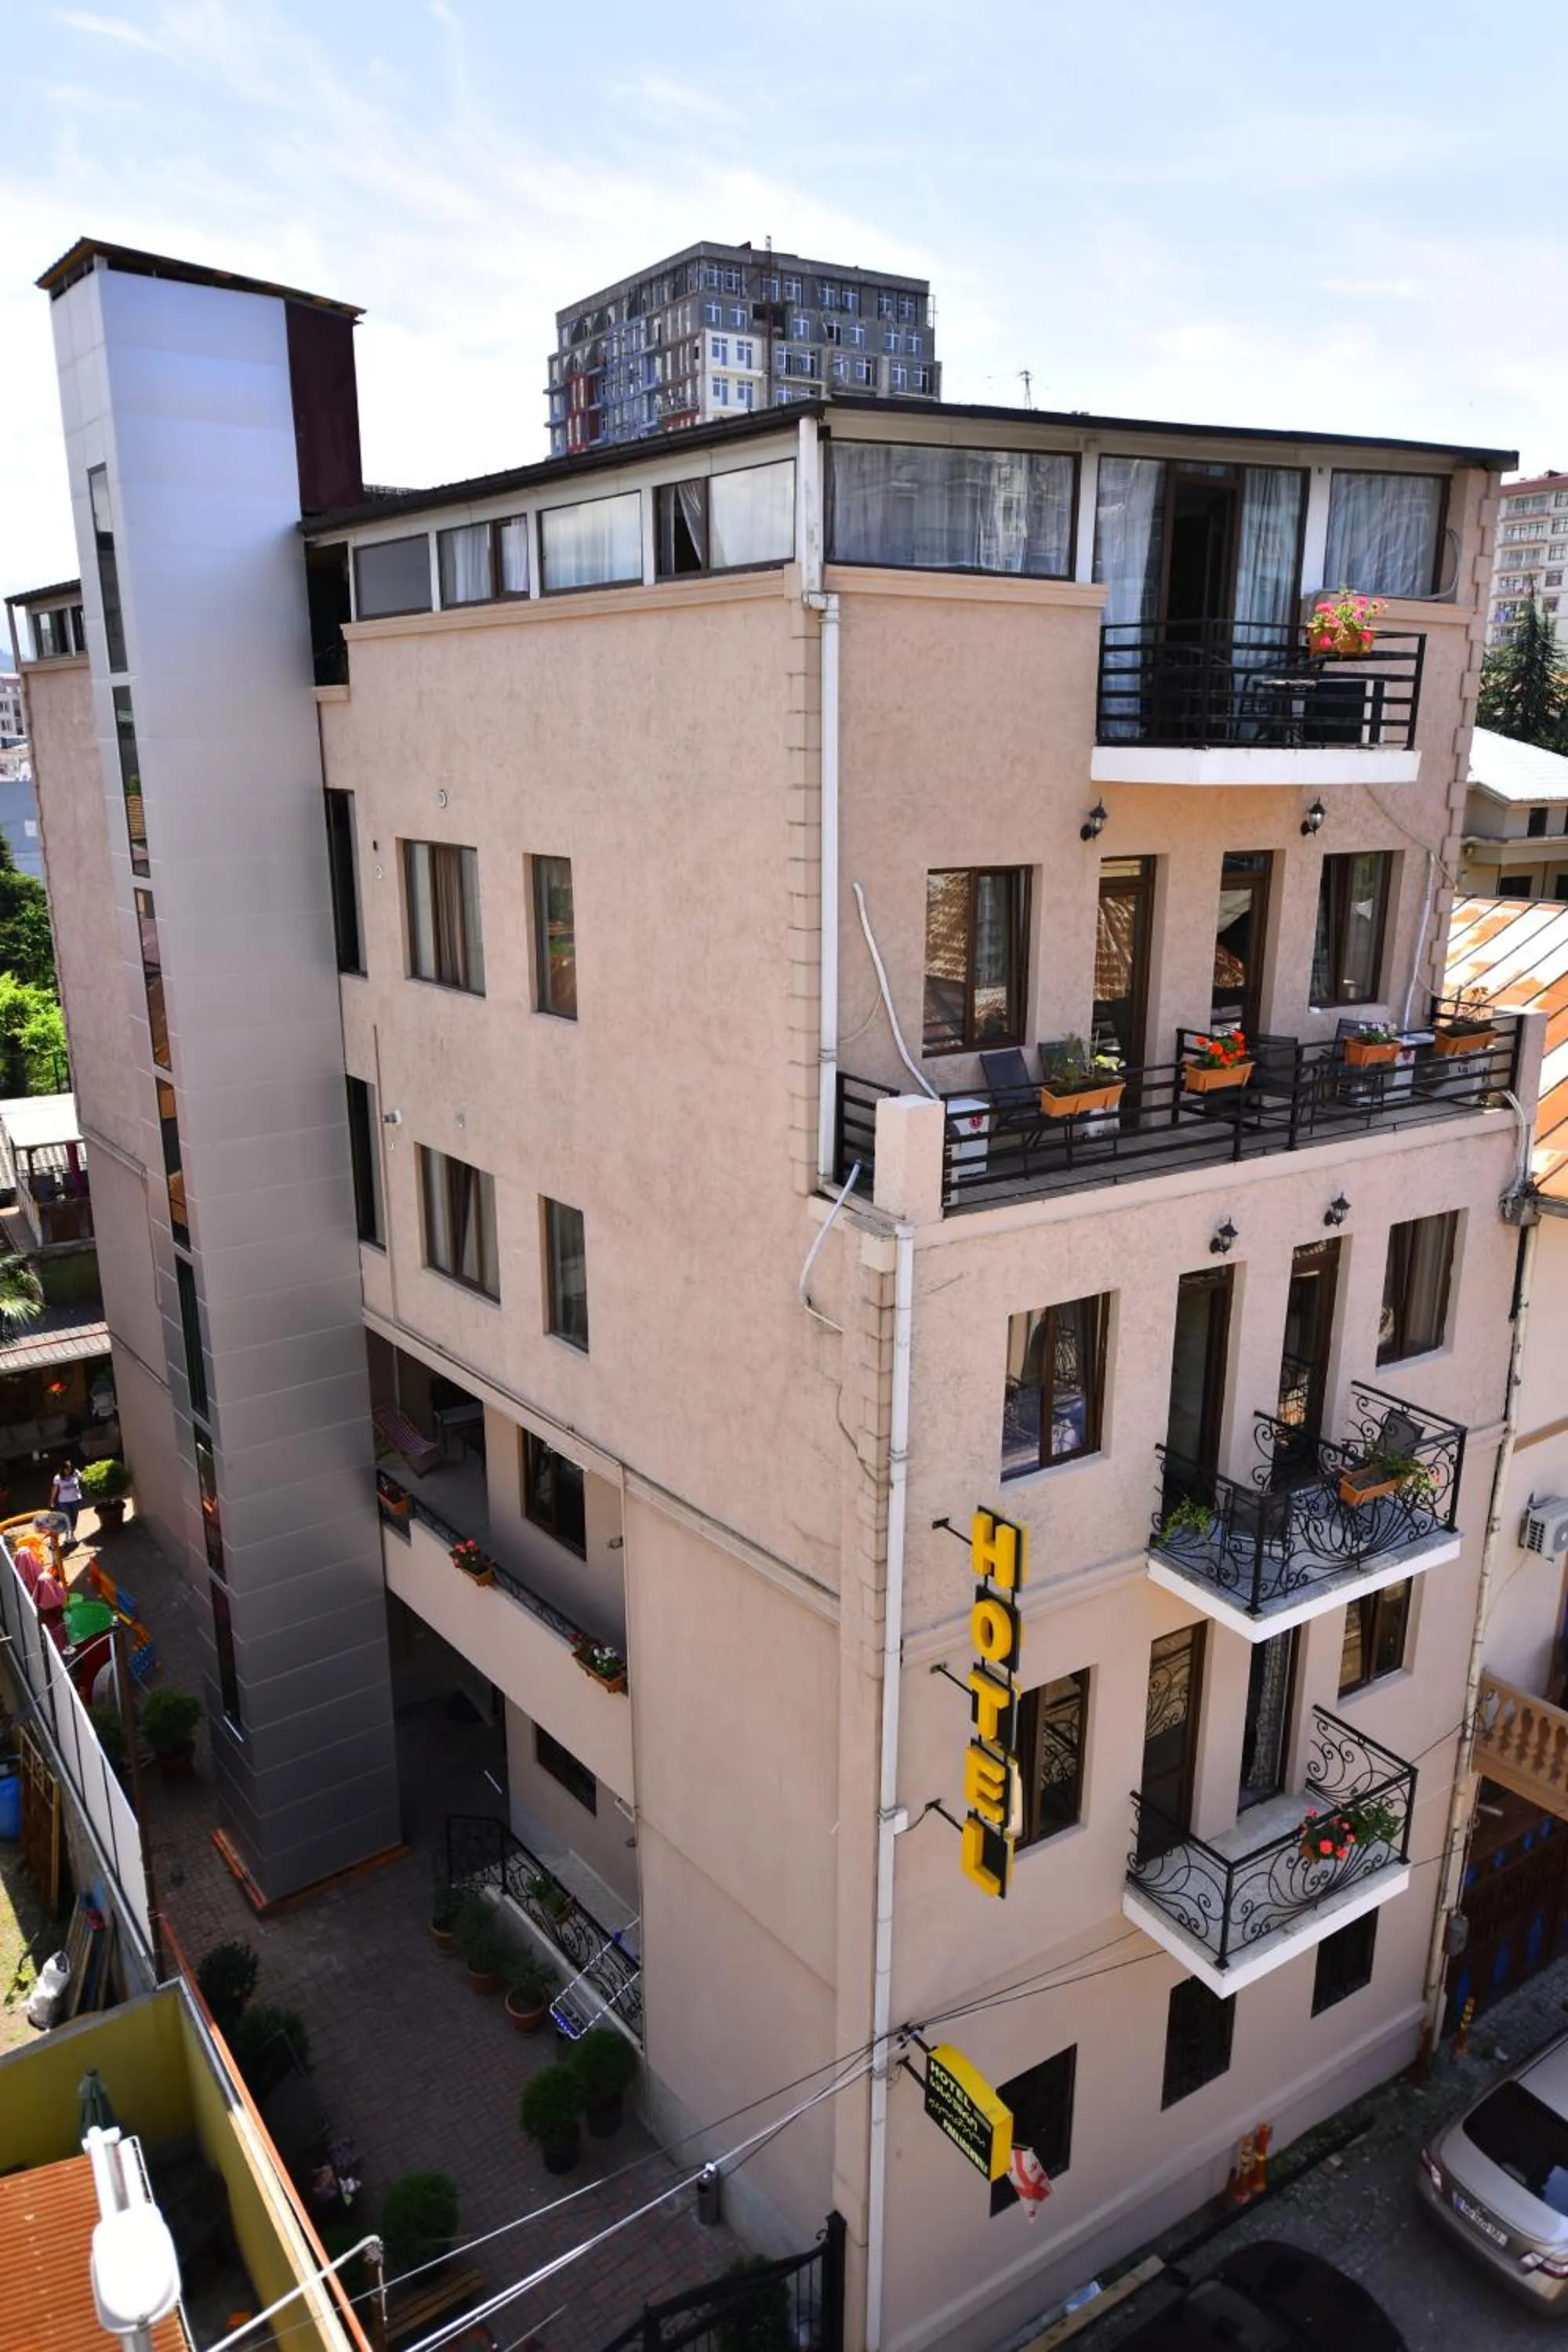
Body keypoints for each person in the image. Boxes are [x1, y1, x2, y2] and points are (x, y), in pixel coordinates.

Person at [50, 1461, 84, 1543]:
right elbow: (55, 1489)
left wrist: (79, 1476)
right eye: (66, 1469)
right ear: (63, 1470)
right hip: (64, 1501)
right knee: (66, 1517)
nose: (68, 1471)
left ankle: (72, 1534)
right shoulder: (58, 1478)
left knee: (74, 1517)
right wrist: (52, 1499)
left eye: (69, 1469)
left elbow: (83, 1478)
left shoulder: (75, 1473)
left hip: (76, 1499)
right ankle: (67, 1535)